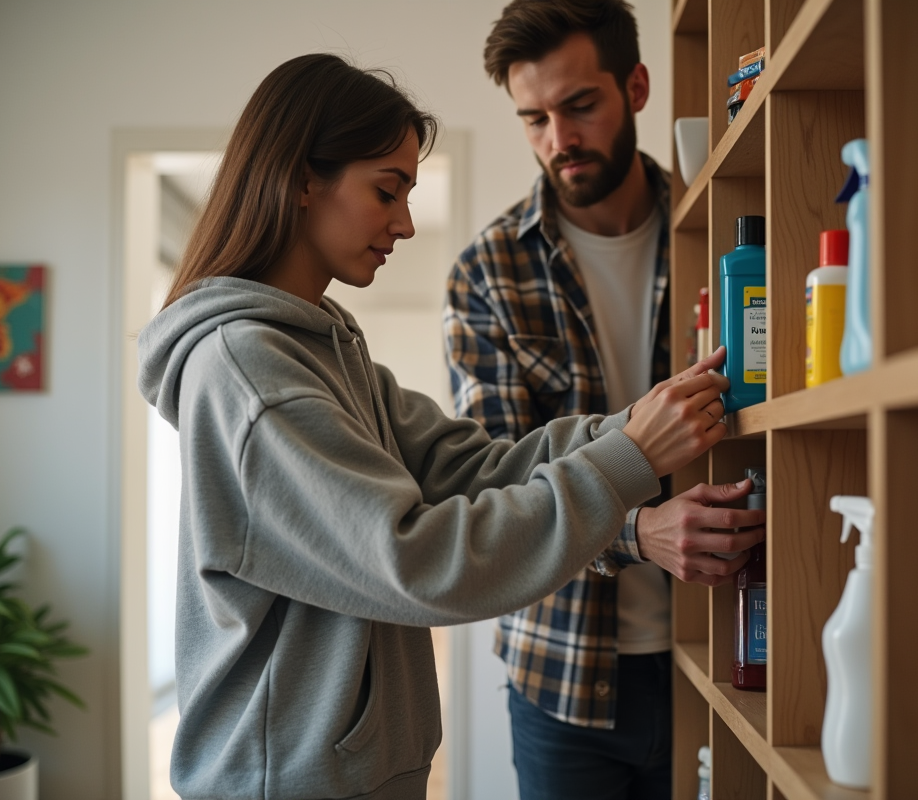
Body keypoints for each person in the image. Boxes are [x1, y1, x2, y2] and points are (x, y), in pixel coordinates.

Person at [137, 53, 734, 800]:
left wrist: (634, 429)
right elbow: (417, 561)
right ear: (299, 179)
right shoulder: (249, 373)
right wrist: (628, 460)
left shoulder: (324, 345)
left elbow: (471, 465)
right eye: (387, 191)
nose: (406, 223)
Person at [443, 2, 766, 798]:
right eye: (534, 119)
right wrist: (636, 530)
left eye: (579, 105)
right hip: (560, 678)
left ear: (638, 86)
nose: (560, 139)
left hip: (727, 645)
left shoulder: (716, 221)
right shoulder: (486, 272)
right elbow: (495, 485)